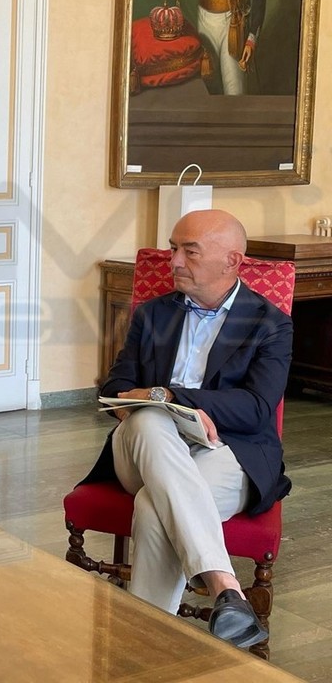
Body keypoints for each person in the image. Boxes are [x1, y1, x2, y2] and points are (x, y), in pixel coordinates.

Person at [79, 209, 291, 647]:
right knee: (150, 418)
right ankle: (223, 585)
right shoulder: (153, 315)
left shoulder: (270, 324)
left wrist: (174, 397)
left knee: (153, 505)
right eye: (174, 248)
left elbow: (256, 409)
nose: (173, 261)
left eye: (189, 251)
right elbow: (115, 387)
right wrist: (161, 404)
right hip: (142, 448)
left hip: (229, 451)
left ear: (232, 261)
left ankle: (145, 645)